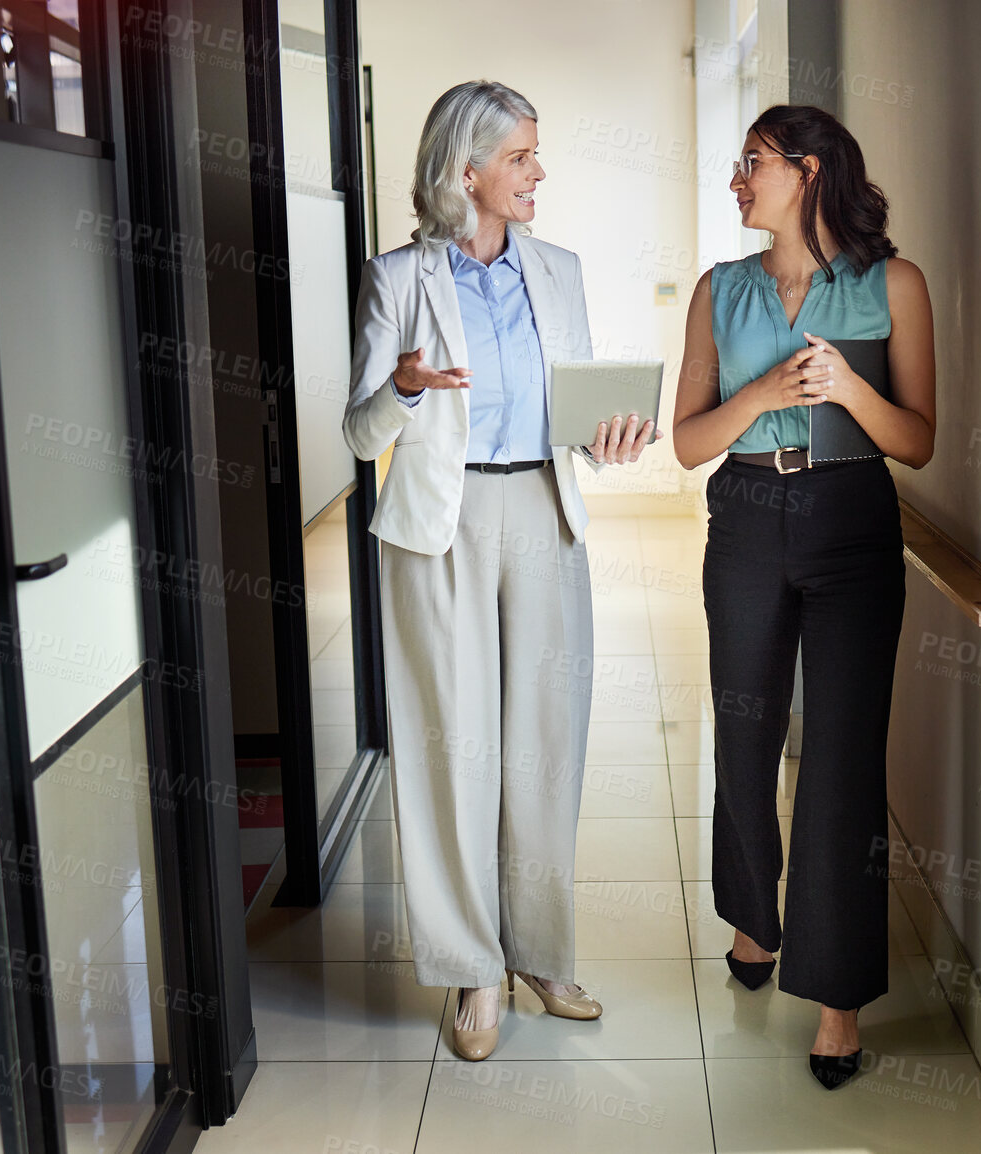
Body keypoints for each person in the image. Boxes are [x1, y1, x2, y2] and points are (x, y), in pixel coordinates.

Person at [343, 80, 655, 1062]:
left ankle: (541, 952)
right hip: (441, 523)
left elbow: (580, 417)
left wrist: (613, 437)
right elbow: (358, 431)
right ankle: (473, 968)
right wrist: (400, 385)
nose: (537, 172)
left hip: (543, 511)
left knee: (544, 742)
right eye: (521, 156)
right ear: (464, 168)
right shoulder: (398, 277)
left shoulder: (556, 269)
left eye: (536, 153)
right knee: (451, 750)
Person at [670, 104, 936, 1090]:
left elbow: (917, 439)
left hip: (853, 517)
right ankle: (753, 916)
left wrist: (847, 391)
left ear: (809, 172)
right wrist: (764, 394)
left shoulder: (893, 282)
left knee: (839, 756)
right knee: (743, 730)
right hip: (742, 510)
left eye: (753, 164)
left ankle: (836, 1001)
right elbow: (690, 440)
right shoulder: (720, 288)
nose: (738, 181)